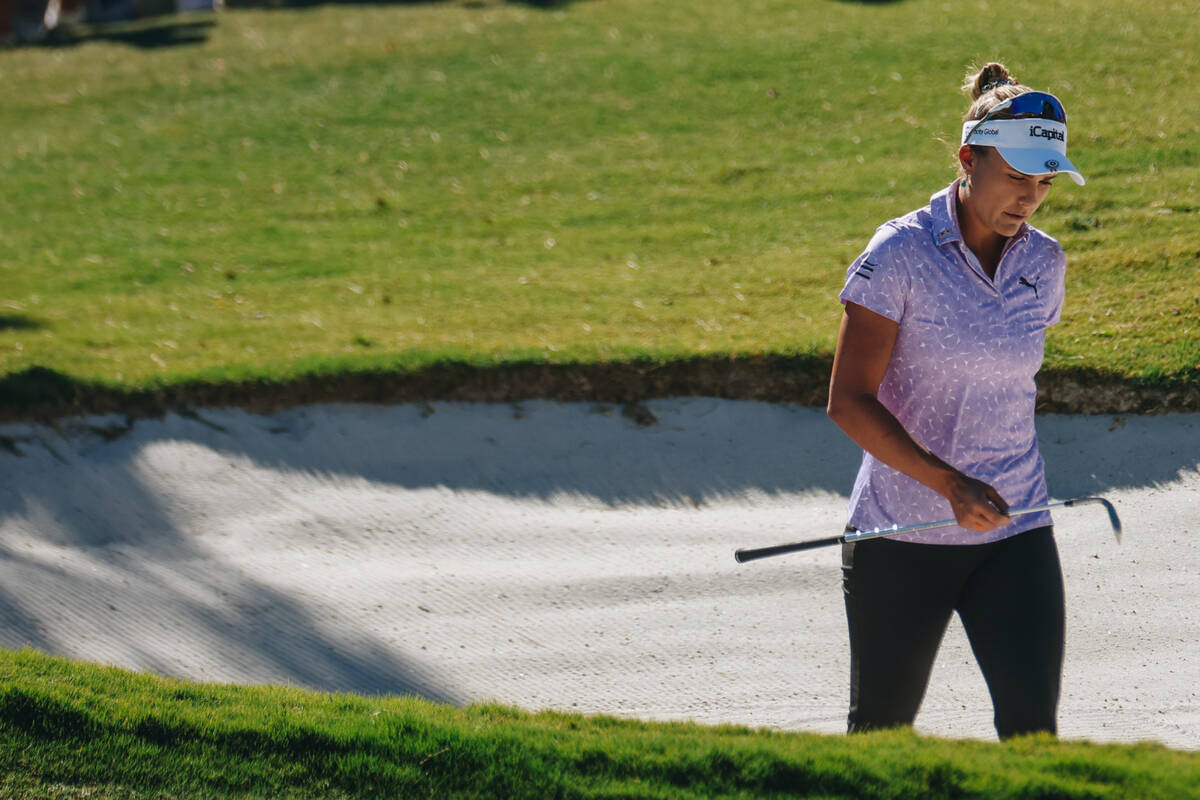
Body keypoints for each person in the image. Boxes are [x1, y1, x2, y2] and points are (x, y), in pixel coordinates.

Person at [826, 62, 1086, 740]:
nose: (1030, 198)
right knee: (882, 734)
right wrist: (949, 483)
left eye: (1044, 182)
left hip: (1016, 528)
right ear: (968, 160)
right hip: (901, 535)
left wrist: (983, 490)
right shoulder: (900, 254)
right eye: (1016, 178)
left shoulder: (1043, 263)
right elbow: (849, 401)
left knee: (1033, 736)